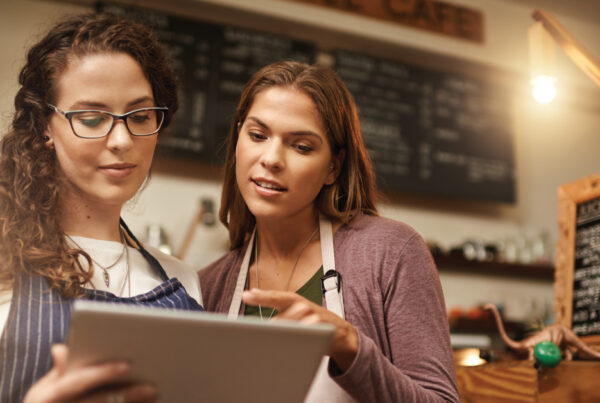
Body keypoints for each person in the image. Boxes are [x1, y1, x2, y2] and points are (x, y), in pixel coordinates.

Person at [199, 60, 459, 402]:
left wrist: (350, 347)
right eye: (258, 135)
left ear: (332, 168)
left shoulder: (391, 252)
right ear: (237, 140)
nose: (272, 158)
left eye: (301, 146)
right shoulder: (208, 286)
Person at [0, 13, 203, 403]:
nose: (122, 140)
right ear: (45, 125)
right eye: (92, 118)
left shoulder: (183, 279)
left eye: (141, 116)